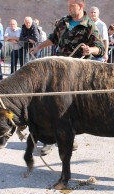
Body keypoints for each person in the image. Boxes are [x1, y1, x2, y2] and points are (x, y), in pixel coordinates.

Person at [30, 0, 104, 155]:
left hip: (76, 73)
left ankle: (69, 135)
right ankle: (49, 140)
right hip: (58, 69)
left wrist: (89, 49)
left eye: (72, 6)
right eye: (68, 6)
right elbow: (53, 38)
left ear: (81, 6)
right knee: (51, 103)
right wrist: (38, 47)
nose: (69, 9)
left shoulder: (89, 24)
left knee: (70, 108)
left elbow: (100, 48)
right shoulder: (64, 21)